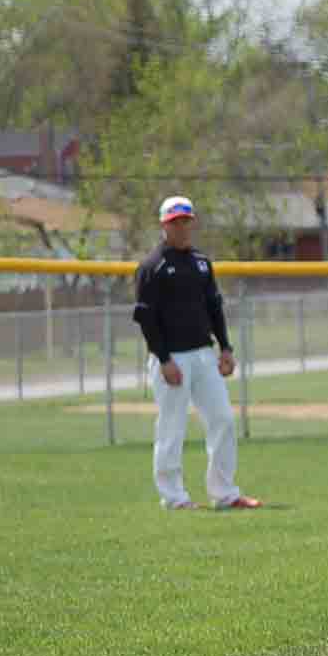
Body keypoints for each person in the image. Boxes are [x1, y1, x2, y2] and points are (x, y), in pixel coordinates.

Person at [132, 196, 261, 511]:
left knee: (223, 420)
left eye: (186, 220)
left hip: (204, 354)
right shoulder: (152, 266)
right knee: (172, 428)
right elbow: (146, 317)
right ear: (164, 225)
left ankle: (225, 493)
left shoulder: (202, 262)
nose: (182, 226)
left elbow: (214, 307)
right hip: (172, 358)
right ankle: (174, 497)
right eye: (175, 221)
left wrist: (226, 347)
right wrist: (163, 359)